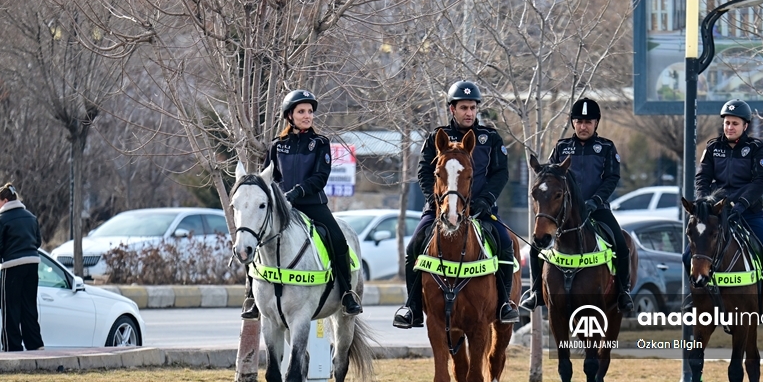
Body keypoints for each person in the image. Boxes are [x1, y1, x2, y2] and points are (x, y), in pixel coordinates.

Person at [393, 80, 520, 328]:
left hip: (481, 211)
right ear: (452, 109)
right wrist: (436, 203)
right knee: (413, 247)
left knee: (505, 244)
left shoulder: (490, 138)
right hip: (440, 210)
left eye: (473, 107)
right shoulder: (436, 138)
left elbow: (500, 174)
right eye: (464, 107)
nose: (469, 112)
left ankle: (505, 303)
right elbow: (424, 173)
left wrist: (485, 200)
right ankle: (412, 307)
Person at [519, 97, 635, 315]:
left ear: (596, 123)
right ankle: (536, 292)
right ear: (573, 123)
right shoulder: (562, 147)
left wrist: (596, 201)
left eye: (588, 122)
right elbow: (550, 175)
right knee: (537, 245)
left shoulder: (607, 147)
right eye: (579, 121)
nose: (583, 126)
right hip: (564, 213)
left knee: (621, 243)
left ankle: (623, 292)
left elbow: (612, 178)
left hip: (596, 209)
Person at [686, 98, 763, 315]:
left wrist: (741, 203)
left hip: (748, 213)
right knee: (689, 255)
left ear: (745, 126)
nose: (730, 127)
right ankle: (695, 294)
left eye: (735, 123)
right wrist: (704, 202)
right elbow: (702, 178)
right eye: (727, 123)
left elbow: (761, 181)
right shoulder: (713, 147)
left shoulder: (755, 148)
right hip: (716, 215)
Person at [262, 89, 362, 315]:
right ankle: (251, 295)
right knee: (257, 238)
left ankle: (347, 294)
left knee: (338, 240)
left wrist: (297, 192)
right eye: (301, 111)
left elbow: (320, 177)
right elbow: (269, 177)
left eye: (310, 111)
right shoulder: (277, 145)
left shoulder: (320, 143)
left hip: (313, 205)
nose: (307, 115)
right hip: (282, 207)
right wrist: (279, 195)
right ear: (289, 115)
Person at [0, 182, 44, 351]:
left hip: (12, 266)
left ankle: (12, 348)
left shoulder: (1, 218)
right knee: (29, 307)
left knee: (10, 309)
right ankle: (35, 346)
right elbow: (38, 242)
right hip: (32, 266)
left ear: (5, 201)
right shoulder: (30, 216)